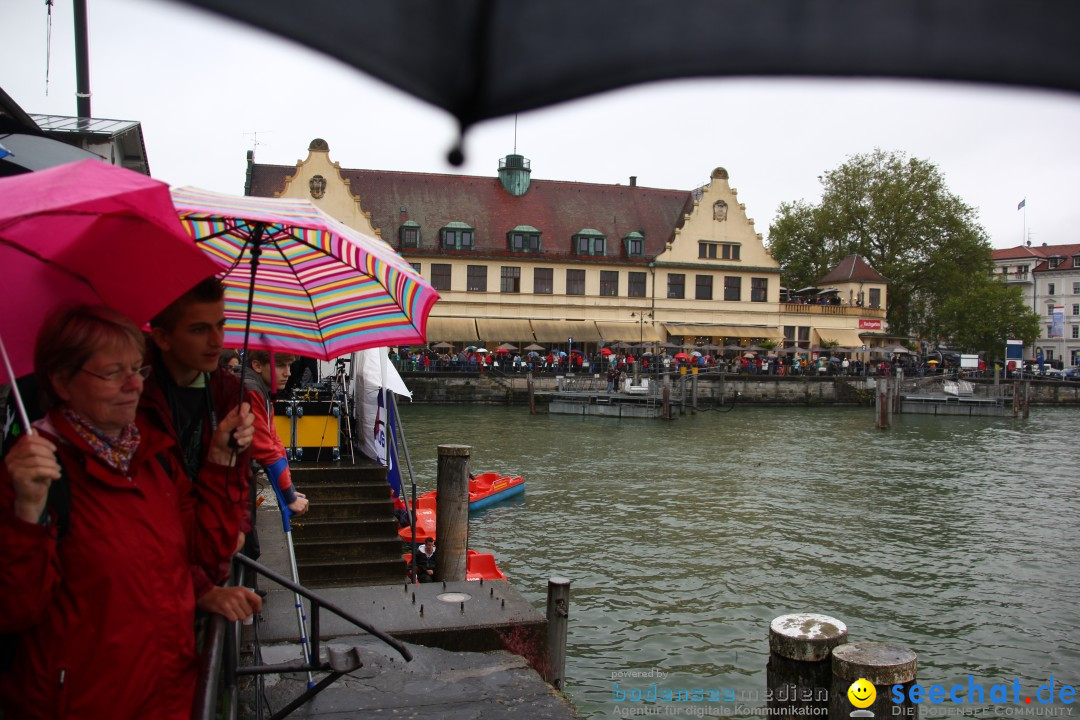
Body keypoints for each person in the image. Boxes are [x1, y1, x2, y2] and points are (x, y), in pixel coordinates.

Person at [0, 305, 258, 719]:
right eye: (112, 373)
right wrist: (26, 513)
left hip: (167, 695)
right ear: (62, 381)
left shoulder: (152, 456)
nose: (133, 386)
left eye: (138, 370)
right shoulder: (35, 476)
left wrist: (221, 462)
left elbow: (208, 549)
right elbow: (15, 609)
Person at [141, 277, 262, 620]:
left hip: (206, 558)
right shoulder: (135, 394)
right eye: (198, 329)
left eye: (221, 325)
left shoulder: (228, 393)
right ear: (162, 337)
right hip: (167, 576)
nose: (216, 341)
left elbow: (240, 478)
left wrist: (238, 526)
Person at [243, 349, 308, 516]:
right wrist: (289, 497)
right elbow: (265, 448)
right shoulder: (251, 390)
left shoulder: (262, 390)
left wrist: (289, 488)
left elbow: (274, 441)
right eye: (280, 366)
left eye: (289, 365)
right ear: (257, 365)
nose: (288, 373)